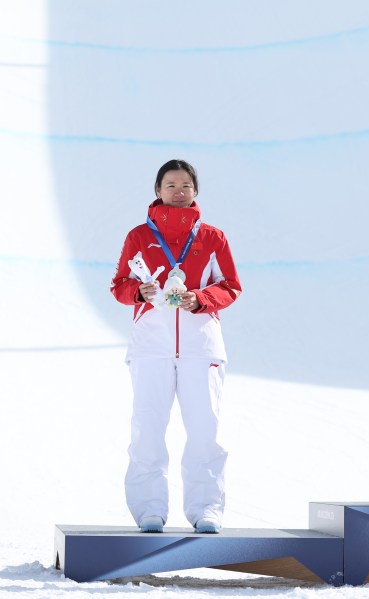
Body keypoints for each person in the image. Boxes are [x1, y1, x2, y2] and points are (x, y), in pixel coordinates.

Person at [111, 159, 241, 533]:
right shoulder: (139, 236)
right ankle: (149, 509)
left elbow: (231, 286)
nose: (179, 191)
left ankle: (206, 510)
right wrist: (139, 291)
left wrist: (200, 298)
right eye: (171, 184)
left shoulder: (212, 237)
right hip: (151, 345)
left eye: (186, 185)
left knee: (205, 430)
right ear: (158, 190)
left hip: (201, 346)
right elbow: (119, 284)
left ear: (195, 191)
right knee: (148, 428)